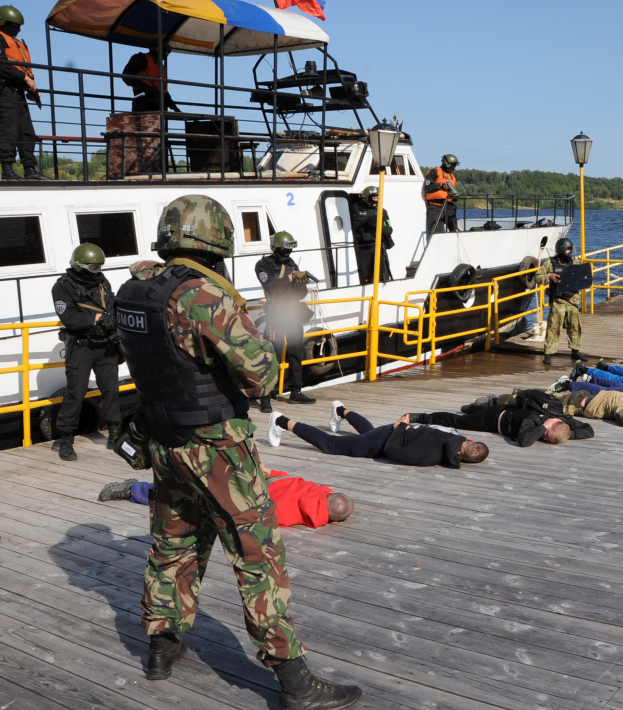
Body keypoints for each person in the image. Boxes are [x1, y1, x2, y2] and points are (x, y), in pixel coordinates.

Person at [113, 195, 360, 708]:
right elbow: (260, 376)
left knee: (172, 541)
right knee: (257, 554)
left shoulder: (135, 290)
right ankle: (294, 681)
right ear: (217, 242)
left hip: (163, 442)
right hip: (216, 445)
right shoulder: (204, 296)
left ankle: (161, 644)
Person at [99, 470, 355, 530]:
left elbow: (286, 478)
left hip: (251, 482)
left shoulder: (317, 489)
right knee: (187, 496)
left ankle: (134, 489)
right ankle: (136, 490)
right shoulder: (310, 515)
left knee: (191, 486)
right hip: (245, 497)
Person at [51, 243, 122, 461]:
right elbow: (68, 317)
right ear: (80, 266)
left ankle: (115, 433)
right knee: (76, 393)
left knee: (111, 390)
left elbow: (110, 306)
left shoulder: (102, 281)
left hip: (105, 345)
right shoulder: (63, 286)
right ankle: (66, 441)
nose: (98, 271)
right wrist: (96, 319)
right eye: (93, 267)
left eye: (100, 267)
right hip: (81, 347)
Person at [267, 401, 489, 468]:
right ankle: (281, 421)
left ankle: (340, 410)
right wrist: (401, 429)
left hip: (390, 431)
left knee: (368, 431)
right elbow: (393, 452)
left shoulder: (453, 432)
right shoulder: (430, 457)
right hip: (384, 440)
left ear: (468, 442)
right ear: (461, 457)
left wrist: (408, 420)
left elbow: (433, 423)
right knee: (330, 444)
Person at [409, 390, 594, 448]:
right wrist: (543, 427)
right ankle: (422, 416)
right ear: (550, 423)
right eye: (546, 435)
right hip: (494, 418)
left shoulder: (562, 420)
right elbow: (524, 441)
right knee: (458, 421)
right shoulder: (534, 420)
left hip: (507, 412)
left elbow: (589, 430)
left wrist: (566, 434)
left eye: (547, 440)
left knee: (472, 413)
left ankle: (474, 408)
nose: (543, 438)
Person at [256, 231, 315, 410]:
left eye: (289, 249)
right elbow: (271, 288)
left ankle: (295, 390)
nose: (287, 253)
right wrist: (289, 278)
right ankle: (265, 396)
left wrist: (302, 283)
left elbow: (299, 294)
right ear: (276, 248)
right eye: (284, 249)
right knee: (273, 354)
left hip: (292, 313)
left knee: (296, 351)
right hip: (276, 314)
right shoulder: (263, 265)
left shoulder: (291, 263)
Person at [0, 5, 48, 181]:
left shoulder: (17, 42)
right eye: (14, 25)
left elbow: (21, 67)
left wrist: (31, 89)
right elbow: (3, 64)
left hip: (18, 91)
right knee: (9, 130)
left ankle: (30, 169)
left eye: (19, 26)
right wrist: (25, 78)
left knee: (27, 131)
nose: (17, 29)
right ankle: (7, 171)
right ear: (3, 22)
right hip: (5, 91)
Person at [460, 388, 623, 428]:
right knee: (538, 403)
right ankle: (494, 402)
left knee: (546, 397)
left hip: (584, 396)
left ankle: (518, 394)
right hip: (574, 405)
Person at [535, 237, 585, 365]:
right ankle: (549, 353)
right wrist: (549, 276)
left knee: (575, 327)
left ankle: (575, 351)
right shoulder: (550, 263)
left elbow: (582, 277)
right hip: (558, 300)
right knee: (554, 327)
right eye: (568, 249)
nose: (570, 252)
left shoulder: (574, 262)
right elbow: (537, 277)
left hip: (572, 300)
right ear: (562, 249)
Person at [349, 185, 393, 284]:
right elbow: (353, 225)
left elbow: (389, 229)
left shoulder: (382, 211)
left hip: (378, 247)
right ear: (367, 198)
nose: (376, 200)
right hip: (363, 248)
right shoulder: (356, 209)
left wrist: (378, 226)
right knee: (362, 275)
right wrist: (367, 222)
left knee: (383, 275)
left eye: (378, 198)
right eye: (374, 198)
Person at [121, 46, 182, 113]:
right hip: (142, 101)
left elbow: (164, 92)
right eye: (166, 52)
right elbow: (126, 76)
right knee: (142, 122)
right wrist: (144, 86)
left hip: (158, 105)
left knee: (157, 121)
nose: (166, 55)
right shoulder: (140, 58)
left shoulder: (162, 67)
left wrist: (175, 108)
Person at [423, 154, 459, 235]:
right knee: (436, 231)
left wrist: (455, 196)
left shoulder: (453, 176)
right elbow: (427, 187)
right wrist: (440, 186)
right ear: (447, 164)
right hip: (435, 206)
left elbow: (456, 197)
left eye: (454, 166)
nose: (453, 168)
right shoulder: (434, 172)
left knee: (454, 228)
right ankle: (437, 244)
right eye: (452, 166)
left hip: (449, 206)